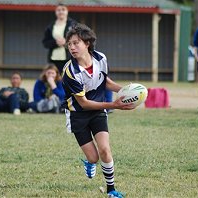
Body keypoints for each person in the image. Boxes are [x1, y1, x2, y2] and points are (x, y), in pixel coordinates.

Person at [62, 23, 134, 198]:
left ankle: (111, 190)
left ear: (87, 43)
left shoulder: (101, 58)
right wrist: (114, 105)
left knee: (105, 150)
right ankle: (89, 162)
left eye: (76, 42)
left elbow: (105, 81)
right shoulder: (70, 72)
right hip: (78, 115)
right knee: (94, 157)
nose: (72, 47)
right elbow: (84, 103)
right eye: (69, 44)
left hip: (98, 111)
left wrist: (126, 92)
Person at [42, 3, 75, 73]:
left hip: (69, 58)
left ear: (67, 11)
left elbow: (78, 40)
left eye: (63, 9)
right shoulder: (50, 26)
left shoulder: (73, 25)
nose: (61, 12)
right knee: (55, 79)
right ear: (55, 12)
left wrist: (66, 42)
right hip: (53, 59)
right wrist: (55, 42)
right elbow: (45, 43)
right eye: (58, 10)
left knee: (67, 80)